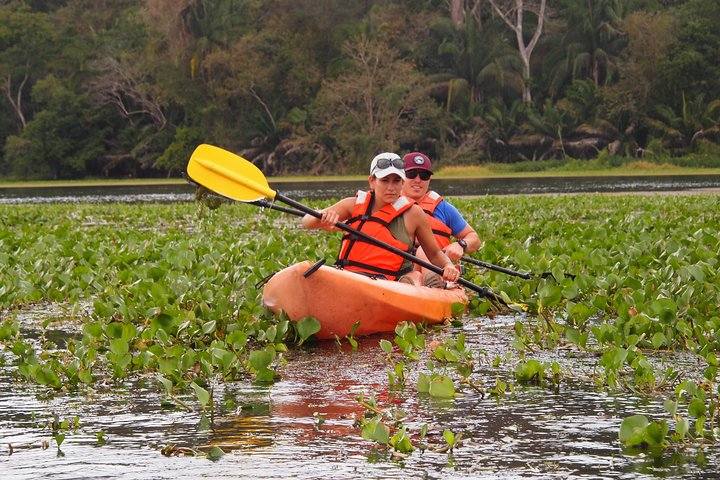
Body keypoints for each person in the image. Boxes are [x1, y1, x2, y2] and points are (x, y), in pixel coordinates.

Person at [301, 152, 461, 286]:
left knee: (414, 278)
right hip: (350, 278)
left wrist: (447, 265)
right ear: (372, 181)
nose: (391, 187)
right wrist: (321, 215)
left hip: (390, 283)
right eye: (385, 180)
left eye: (396, 181)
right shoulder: (353, 204)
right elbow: (306, 222)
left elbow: (434, 253)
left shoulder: (414, 214)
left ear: (402, 182)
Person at [401, 152, 481, 286]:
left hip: (437, 268)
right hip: (404, 271)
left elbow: (474, 239)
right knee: (413, 276)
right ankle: (412, 285)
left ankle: (434, 283)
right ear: (401, 177)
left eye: (424, 175)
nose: (418, 180)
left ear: (429, 180)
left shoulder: (443, 208)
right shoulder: (391, 204)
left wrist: (461, 244)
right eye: (411, 174)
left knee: (423, 250)